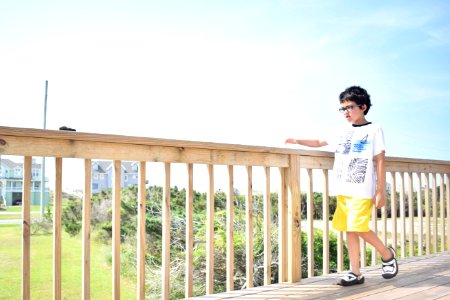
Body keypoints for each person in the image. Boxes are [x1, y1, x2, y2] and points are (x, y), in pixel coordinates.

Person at [285, 86, 398, 286]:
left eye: (350, 107)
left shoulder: (373, 129)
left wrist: (381, 191)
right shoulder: (341, 131)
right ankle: (355, 273)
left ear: (363, 107)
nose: (345, 112)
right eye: (342, 109)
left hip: (362, 189)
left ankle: (387, 254)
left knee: (358, 226)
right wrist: (297, 140)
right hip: (343, 189)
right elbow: (320, 141)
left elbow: (380, 160)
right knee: (349, 229)